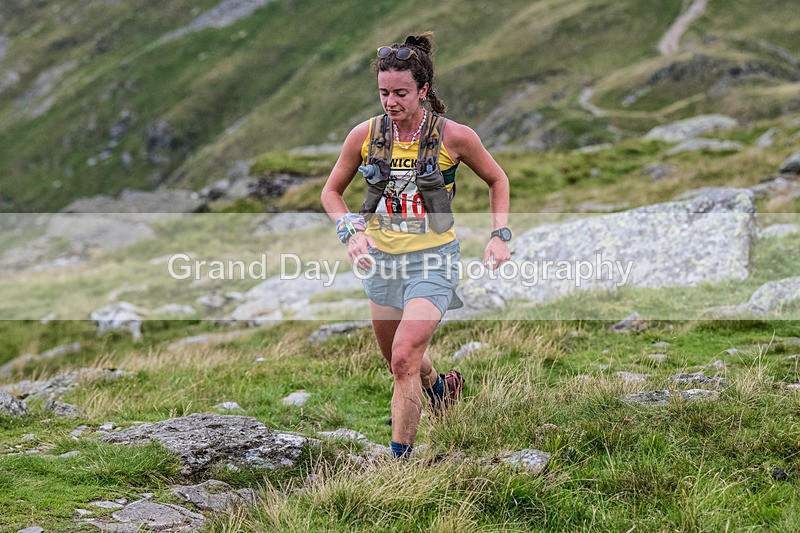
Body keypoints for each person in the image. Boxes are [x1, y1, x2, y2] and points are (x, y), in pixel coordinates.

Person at [321, 32, 511, 460]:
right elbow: (331, 194)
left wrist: (500, 236)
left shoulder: (455, 137)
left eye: (401, 93)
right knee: (398, 358)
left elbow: (498, 180)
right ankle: (442, 389)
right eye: (384, 92)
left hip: (434, 260)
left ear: (423, 90)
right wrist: (351, 231)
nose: (391, 102)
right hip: (383, 263)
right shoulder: (365, 136)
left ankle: (401, 467)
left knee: (404, 359)